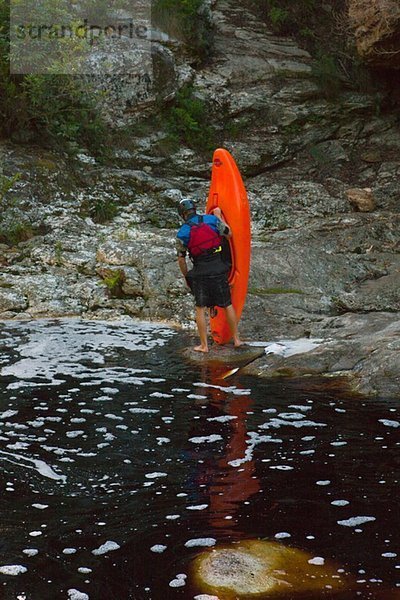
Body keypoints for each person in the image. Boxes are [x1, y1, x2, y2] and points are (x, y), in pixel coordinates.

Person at [176, 198, 243, 353]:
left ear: (182, 214)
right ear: (194, 209)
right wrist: (219, 215)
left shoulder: (182, 232)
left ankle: (204, 346)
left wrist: (187, 277)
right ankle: (237, 340)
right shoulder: (211, 220)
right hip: (219, 268)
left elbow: (181, 258)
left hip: (200, 272)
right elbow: (229, 233)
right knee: (227, 304)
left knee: (200, 308)